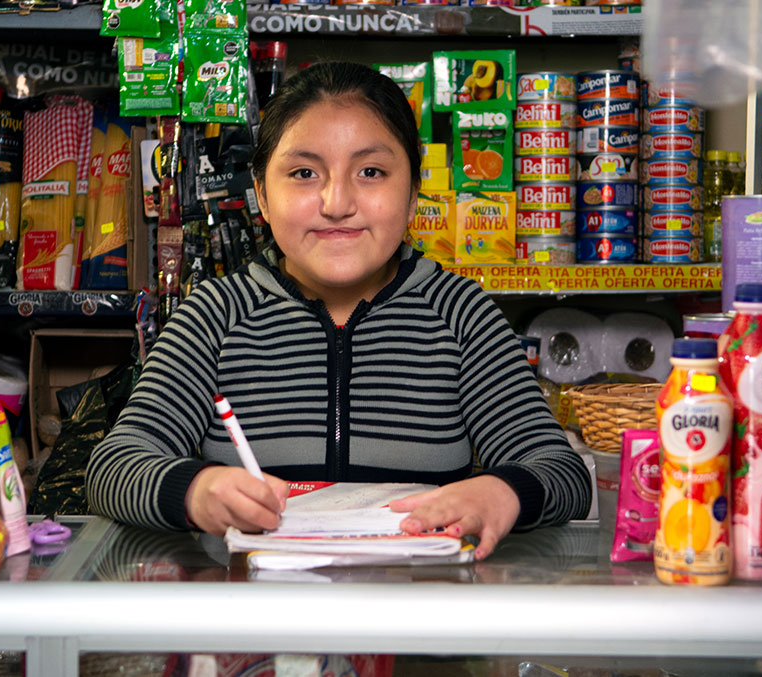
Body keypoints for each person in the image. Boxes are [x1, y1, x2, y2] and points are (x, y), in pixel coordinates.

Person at [86, 62, 591, 560]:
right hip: (255, 625)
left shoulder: (461, 313)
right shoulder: (215, 314)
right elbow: (114, 466)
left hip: (418, 618)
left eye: (371, 172)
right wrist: (196, 491)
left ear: (414, 193)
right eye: (304, 173)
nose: (336, 202)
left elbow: (562, 473)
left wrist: (501, 493)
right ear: (261, 193)